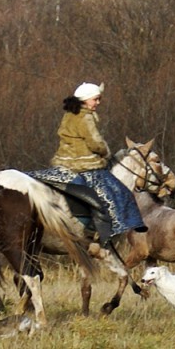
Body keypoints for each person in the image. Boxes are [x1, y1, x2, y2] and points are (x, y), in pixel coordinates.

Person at [48, 81, 147, 244]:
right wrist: (106, 153)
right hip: (84, 163)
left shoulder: (70, 114)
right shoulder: (85, 117)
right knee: (112, 192)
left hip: (65, 161)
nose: (98, 103)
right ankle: (100, 228)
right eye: (96, 99)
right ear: (86, 99)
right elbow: (95, 142)